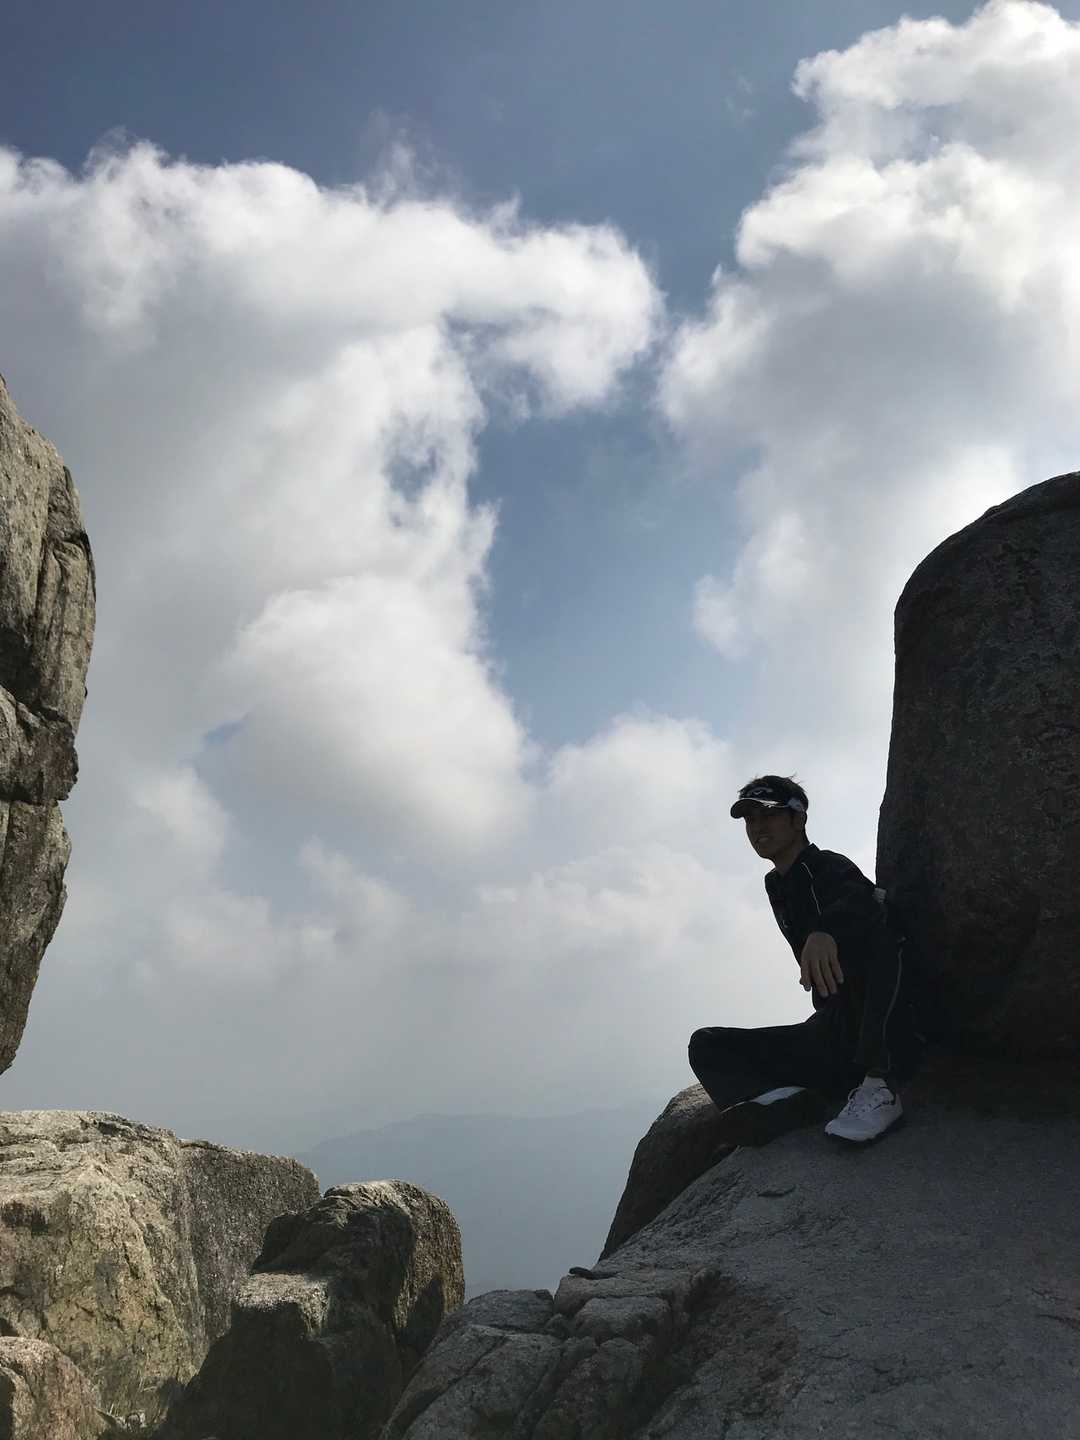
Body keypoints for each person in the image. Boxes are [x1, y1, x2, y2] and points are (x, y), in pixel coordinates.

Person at [688, 775, 927, 1146]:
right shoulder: (777, 885)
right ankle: (784, 1104)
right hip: (833, 1036)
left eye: (769, 815)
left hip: (883, 1028)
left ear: (798, 819)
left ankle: (880, 1087)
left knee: (883, 934)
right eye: (750, 819)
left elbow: (862, 902)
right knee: (707, 1045)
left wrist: (825, 930)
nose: (757, 827)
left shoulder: (828, 866)